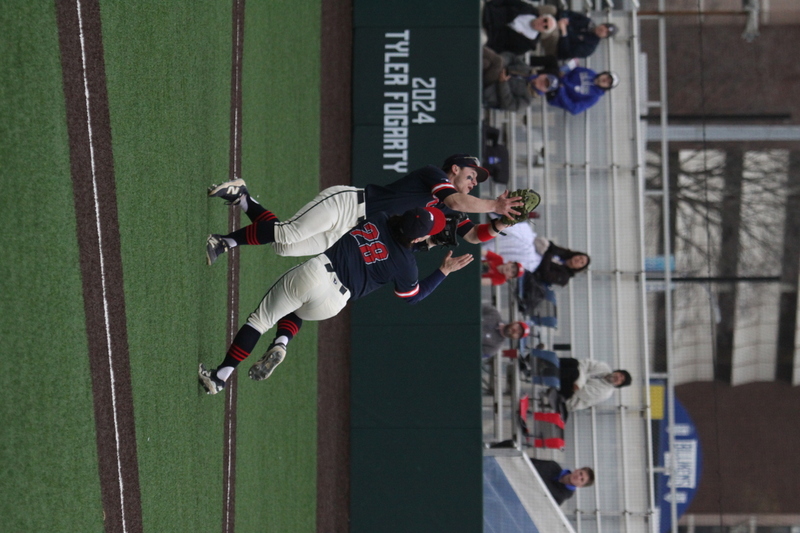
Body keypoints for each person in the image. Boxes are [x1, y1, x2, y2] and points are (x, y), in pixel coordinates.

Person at [199, 206, 473, 394]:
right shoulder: (407, 267)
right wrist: (443, 271)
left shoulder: (379, 217)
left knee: (260, 321)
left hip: (318, 272)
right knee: (295, 309)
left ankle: (221, 376)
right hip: (333, 304)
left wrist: (423, 237)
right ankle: (282, 342)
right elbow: (412, 296)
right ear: (422, 236)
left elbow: (402, 232)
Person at [205, 154, 523, 265]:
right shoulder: (435, 177)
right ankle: (224, 242)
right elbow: (455, 201)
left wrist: (499, 223)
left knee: (284, 244)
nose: (472, 183)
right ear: (454, 169)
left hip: (350, 230)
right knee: (289, 232)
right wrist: (495, 204)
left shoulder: (447, 204)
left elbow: (471, 236)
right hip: (348, 204)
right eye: (471, 176)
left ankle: (243, 197)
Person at [484, 225, 590, 287]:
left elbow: (545, 273)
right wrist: (549, 253)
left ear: (579, 268)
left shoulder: (564, 278)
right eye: (580, 257)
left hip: (531, 269)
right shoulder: (564, 253)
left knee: (525, 250)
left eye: (581, 263)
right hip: (535, 252)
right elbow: (550, 247)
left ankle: (490, 253)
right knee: (524, 232)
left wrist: (549, 254)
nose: (578, 260)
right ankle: (492, 233)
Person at [482, 48, 560, 112]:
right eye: (545, 80)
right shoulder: (527, 69)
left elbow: (508, 104)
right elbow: (512, 57)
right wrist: (502, 65)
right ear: (543, 75)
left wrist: (503, 82)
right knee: (487, 63)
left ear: (544, 91)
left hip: (489, 89)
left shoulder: (526, 100)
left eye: (545, 85)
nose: (542, 83)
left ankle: (475, 45)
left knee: (496, 61)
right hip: (493, 70)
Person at [482, 0, 557, 56]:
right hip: (489, 12)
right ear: (542, 16)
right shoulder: (529, 9)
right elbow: (508, 1)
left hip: (489, 35)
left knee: (481, 39)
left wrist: (489, 44)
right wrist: (490, 5)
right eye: (545, 20)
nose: (543, 24)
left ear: (543, 31)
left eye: (545, 27)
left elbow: (505, 51)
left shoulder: (528, 44)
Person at [558, 357, 632, 411]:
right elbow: (583, 363)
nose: (618, 378)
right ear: (618, 371)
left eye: (621, 381)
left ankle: (549, 373)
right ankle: (549, 362)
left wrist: (580, 378)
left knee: (575, 373)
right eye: (621, 375)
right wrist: (581, 380)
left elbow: (581, 391)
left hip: (571, 398)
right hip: (572, 381)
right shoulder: (603, 366)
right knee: (574, 362)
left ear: (618, 385)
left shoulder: (606, 393)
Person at [540, 10, 618, 60]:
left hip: (556, 46)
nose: (603, 30)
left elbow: (566, 52)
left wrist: (564, 32)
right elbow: (568, 13)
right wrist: (564, 18)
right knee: (551, 9)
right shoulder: (587, 21)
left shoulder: (590, 47)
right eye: (605, 27)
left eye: (606, 32)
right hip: (558, 25)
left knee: (553, 31)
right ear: (602, 24)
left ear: (604, 37)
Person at [548, 65, 619, 115]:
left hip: (557, 95)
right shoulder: (590, 72)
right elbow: (575, 69)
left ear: (607, 87)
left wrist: (562, 90)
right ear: (604, 73)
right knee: (551, 63)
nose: (605, 80)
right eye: (607, 77)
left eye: (608, 83)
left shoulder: (594, 97)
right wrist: (564, 74)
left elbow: (575, 109)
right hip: (559, 78)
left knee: (550, 75)